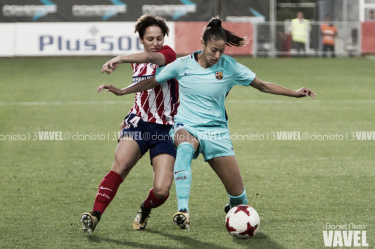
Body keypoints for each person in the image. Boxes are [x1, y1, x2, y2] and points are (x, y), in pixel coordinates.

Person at [98, 17, 316, 230]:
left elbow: (263, 85)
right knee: (183, 146)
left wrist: (295, 93)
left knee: (239, 197)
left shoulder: (229, 66)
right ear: (202, 44)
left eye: (221, 50)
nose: (217, 55)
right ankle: (183, 210)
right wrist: (122, 91)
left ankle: (234, 208)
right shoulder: (182, 65)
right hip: (186, 125)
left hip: (217, 132)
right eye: (213, 50)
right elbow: (152, 81)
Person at [81, 14, 179, 234]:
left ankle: (145, 209)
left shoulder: (168, 55)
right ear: (141, 40)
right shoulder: (138, 59)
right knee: (121, 166)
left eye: (159, 38)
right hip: (139, 123)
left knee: (162, 190)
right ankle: (95, 215)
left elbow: (154, 72)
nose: (156, 43)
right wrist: (123, 91)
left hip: (165, 128)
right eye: (150, 39)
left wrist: (120, 58)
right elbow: (146, 83)